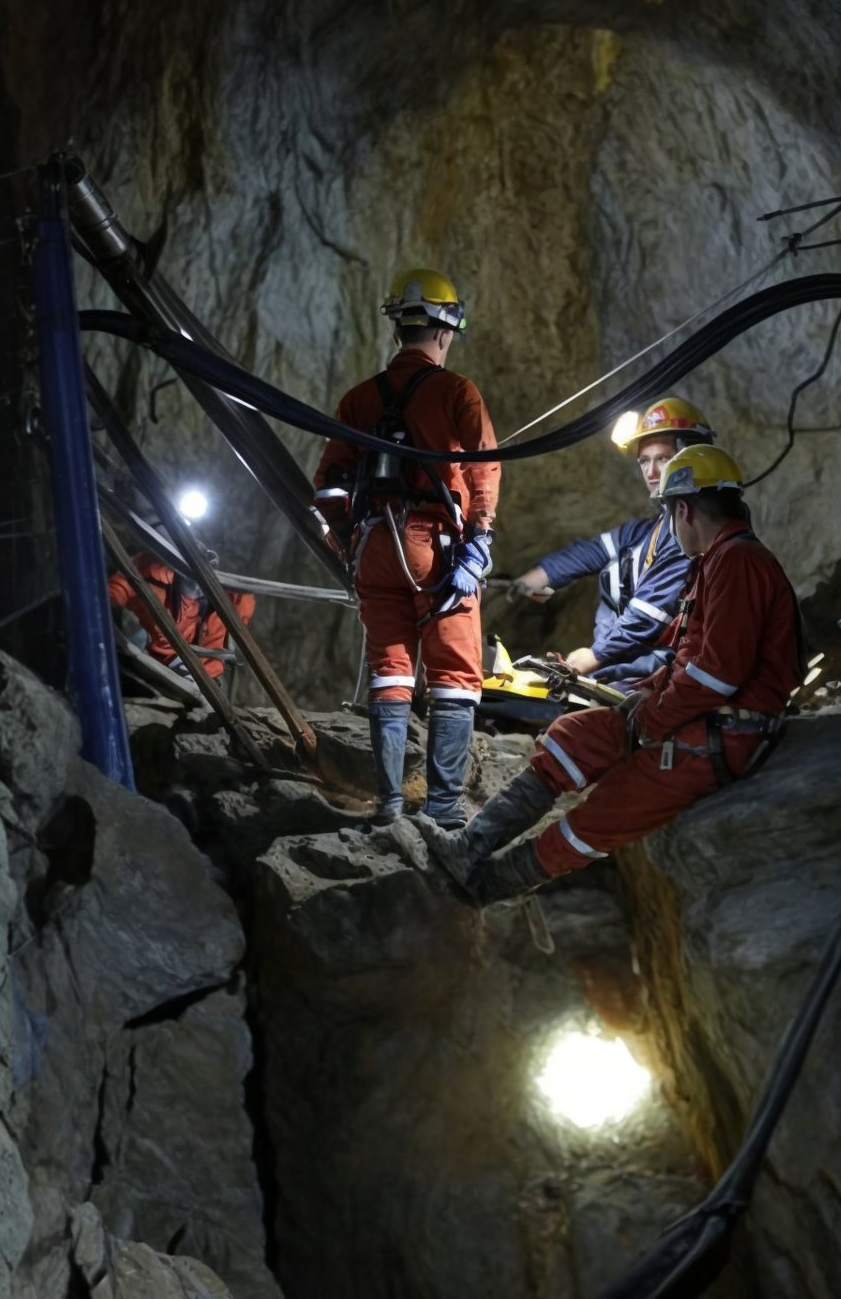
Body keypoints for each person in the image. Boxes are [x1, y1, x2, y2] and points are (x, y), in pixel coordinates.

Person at [431, 444, 800, 903]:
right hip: (695, 717)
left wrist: (649, 718)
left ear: (682, 508)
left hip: (722, 733)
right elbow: (688, 656)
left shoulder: (738, 563)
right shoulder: (717, 559)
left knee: (605, 811)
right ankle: (469, 848)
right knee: (574, 734)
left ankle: (486, 887)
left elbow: (716, 676)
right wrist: (643, 695)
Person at [313, 269, 500, 827]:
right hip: (435, 547)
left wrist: (350, 537)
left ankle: (390, 804)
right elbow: (485, 468)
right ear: (446, 332)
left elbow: (326, 486)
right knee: (455, 675)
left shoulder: (358, 399)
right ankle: (442, 810)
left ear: (398, 329)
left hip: (374, 545)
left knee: (390, 671)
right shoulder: (457, 391)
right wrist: (479, 541)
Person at [510, 397, 714, 687]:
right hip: (627, 666)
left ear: (690, 458)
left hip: (662, 673)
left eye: (663, 459)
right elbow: (593, 552)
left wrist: (592, 658)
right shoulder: (647, 531)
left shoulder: (692, 535)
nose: (651, 472)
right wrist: (538, 577)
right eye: (644, 461)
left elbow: (648, 615)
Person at [107, 553, 255, 682]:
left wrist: (198, 673)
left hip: (194, 676)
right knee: (129, 628)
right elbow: (115, 592)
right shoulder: (149, 572)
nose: (198, 586)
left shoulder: (227, 604)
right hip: (141, 660)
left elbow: (217, 656)